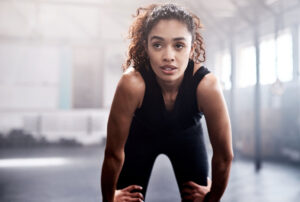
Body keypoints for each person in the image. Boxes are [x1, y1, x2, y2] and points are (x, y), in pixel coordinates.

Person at [101, 3, 233, 202]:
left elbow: (224, 156)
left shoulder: (207, 86)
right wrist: (109, 199)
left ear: (192, 48)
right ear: (146, 47)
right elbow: (113, 153)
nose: (168, 56)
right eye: (157, 45)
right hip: (140, 138)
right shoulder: (132, 84)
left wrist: (212, 198)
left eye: (179, 45)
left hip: (187, 137)